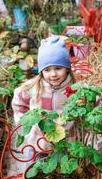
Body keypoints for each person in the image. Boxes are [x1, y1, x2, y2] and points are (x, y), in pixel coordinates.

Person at [11, 35, 76, 170]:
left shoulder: (74, 90)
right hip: (37, 144)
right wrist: (25, 125)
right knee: (35, 171)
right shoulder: (34, 87)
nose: (53, 74)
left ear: (67, 68)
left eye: (58, 68)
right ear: (41, 71)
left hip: (66, 144)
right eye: (47, 70)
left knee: (64, 171)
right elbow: (18, 100)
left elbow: (89, 107)